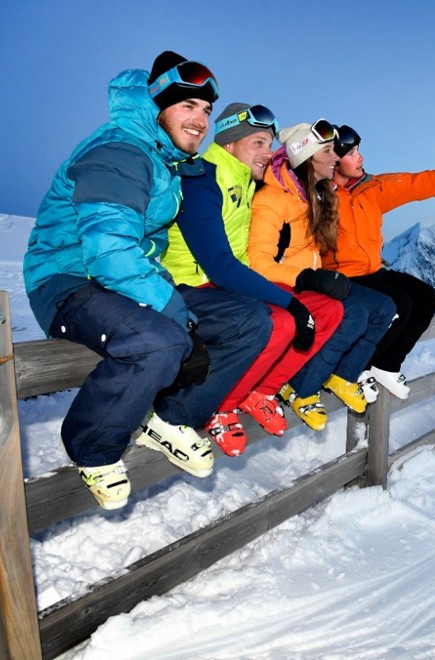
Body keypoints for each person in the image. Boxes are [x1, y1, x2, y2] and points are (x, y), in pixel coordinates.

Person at [22, 52, 272, 509]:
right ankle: (93, 446)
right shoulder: (121, 149)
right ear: (156, 106)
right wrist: (181, 320)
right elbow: (110, 251)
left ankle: (170, 418)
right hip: (67, 281)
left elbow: (137, 256)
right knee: (160, 340)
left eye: (205, 110)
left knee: (249, 320)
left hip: (125, 281)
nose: (199, 120)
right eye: (186, 106)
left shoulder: (165, 159)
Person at [163, 103, 345, 456]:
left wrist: (299, 293)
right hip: (189, 286)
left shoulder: (244, 180)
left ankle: (261, 391)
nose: (268, 153)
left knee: (327, 310)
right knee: (278, 320)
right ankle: (221, 405)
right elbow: (218, 264)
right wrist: (290, 302)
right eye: (258, 143)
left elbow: (246, 260)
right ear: (230, 143)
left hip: (224, 282)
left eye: (269, 144)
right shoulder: (203, 179)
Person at [325, 124, 435, 398]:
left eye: (359, 151)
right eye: (352, 153)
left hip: (370, 271)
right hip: (338, 277)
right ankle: (355, 369)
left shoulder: (372, 188)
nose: (361, 158)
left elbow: (421, 183)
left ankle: (385, 365)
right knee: (400, 304)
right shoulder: (318, 195)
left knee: (426, 296)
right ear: (332, 160)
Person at [249, 120, 396, 429]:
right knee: (352, 315)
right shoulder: (272, 200)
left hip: (312, 280)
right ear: (306, 157)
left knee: (384, 308)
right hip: (286, 284)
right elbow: (258, 264)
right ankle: (300, 388)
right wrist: (309, 279)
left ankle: (340, 375)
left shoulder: (316, 195)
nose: (335, 158)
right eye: (328, 151)